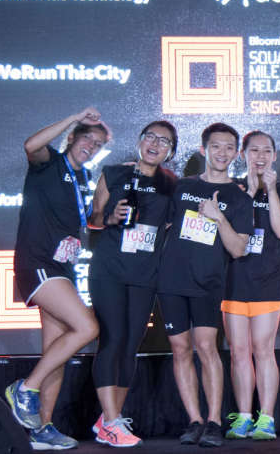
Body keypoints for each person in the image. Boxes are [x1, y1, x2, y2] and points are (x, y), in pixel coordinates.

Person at [5, 108, 106, 450]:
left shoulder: (83, 178)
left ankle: (42, 430)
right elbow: (30, 143)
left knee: (56, 351)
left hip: (60, 268)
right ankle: (25, 389)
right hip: (38, 263)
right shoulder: (48, 162)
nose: (91, 147)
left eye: (98, 144)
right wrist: (75, 116)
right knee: (88, 328)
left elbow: (80, 218)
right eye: (86, 139)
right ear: (72, 137)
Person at [156, 123, 254, 447]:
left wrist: (218, 217)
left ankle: (213, 421)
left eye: (229, 147)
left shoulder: (239, 199)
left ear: (236, 153)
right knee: (180, 349)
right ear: (203, 149)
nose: (222, 153)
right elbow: (165, 226)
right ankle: (194, 420)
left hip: (208, 283)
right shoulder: (182, 187)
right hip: (171, 280)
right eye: (216, 146)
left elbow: (238, 249)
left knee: (206, 348)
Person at [88, 120, 179, 448]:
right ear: (140, 141)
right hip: (109, 270)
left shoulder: (172, 184)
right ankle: (112, 421)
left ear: (170, 151)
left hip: (145, 274)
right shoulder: (114, 173)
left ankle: (109, 420)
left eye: (164, 141)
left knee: (130, 345)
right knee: (111, 340)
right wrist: (111, 218)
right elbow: (93, 217)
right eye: (150, 137)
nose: (155, 144)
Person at [222, 131, 280, 440]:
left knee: (264, 349)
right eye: (254, 151)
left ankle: (266, 417)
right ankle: (244, 416)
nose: (260, 156)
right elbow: (228, 230)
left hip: (267, 281)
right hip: (233, 281)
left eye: (266, 150)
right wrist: (249, 195)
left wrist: (271, 190)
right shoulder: (232, 188)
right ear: (243, 154)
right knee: (239, 352)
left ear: (274, 156)